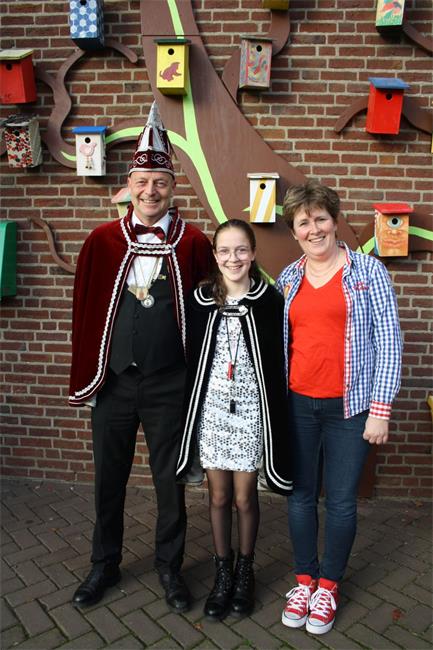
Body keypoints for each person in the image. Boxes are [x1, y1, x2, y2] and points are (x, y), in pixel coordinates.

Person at [68, 102, 214, 612]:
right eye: (143, 182)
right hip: (114, 382)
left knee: (170, 482)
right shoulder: (101, 241)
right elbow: (84, 311)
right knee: (108, 478)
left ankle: (170, 569)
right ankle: (103, 564)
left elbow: (207, 313)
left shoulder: (194, 243)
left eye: (161, 182)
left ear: (173, 188)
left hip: (169, 383)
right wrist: (87, 374)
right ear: (129, 185)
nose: (151, 191)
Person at [276, 180, 402, 635]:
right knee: (300, 496)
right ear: (294, 230)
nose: (314, 229)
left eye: (321, 219)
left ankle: (328, 586)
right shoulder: (288, 279)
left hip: (350, 409)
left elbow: (389, 341)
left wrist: (380, 409)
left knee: (342, 501)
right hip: (297, 405)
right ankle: (304, 581)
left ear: (335, 220)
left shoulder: (368, 272)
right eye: (303, 222)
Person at [176, 219, 293, 621]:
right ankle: (222, 573)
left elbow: (278, 361)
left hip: (250, 410)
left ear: (253, 253)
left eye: (241, 249)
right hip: (212, 410)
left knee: (244, 497)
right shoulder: (200, 299)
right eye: (224, 250)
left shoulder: (269, 300)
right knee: (219, 497)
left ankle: (246, 571)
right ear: (215, 255)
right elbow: (191, 357)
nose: (233, 258)